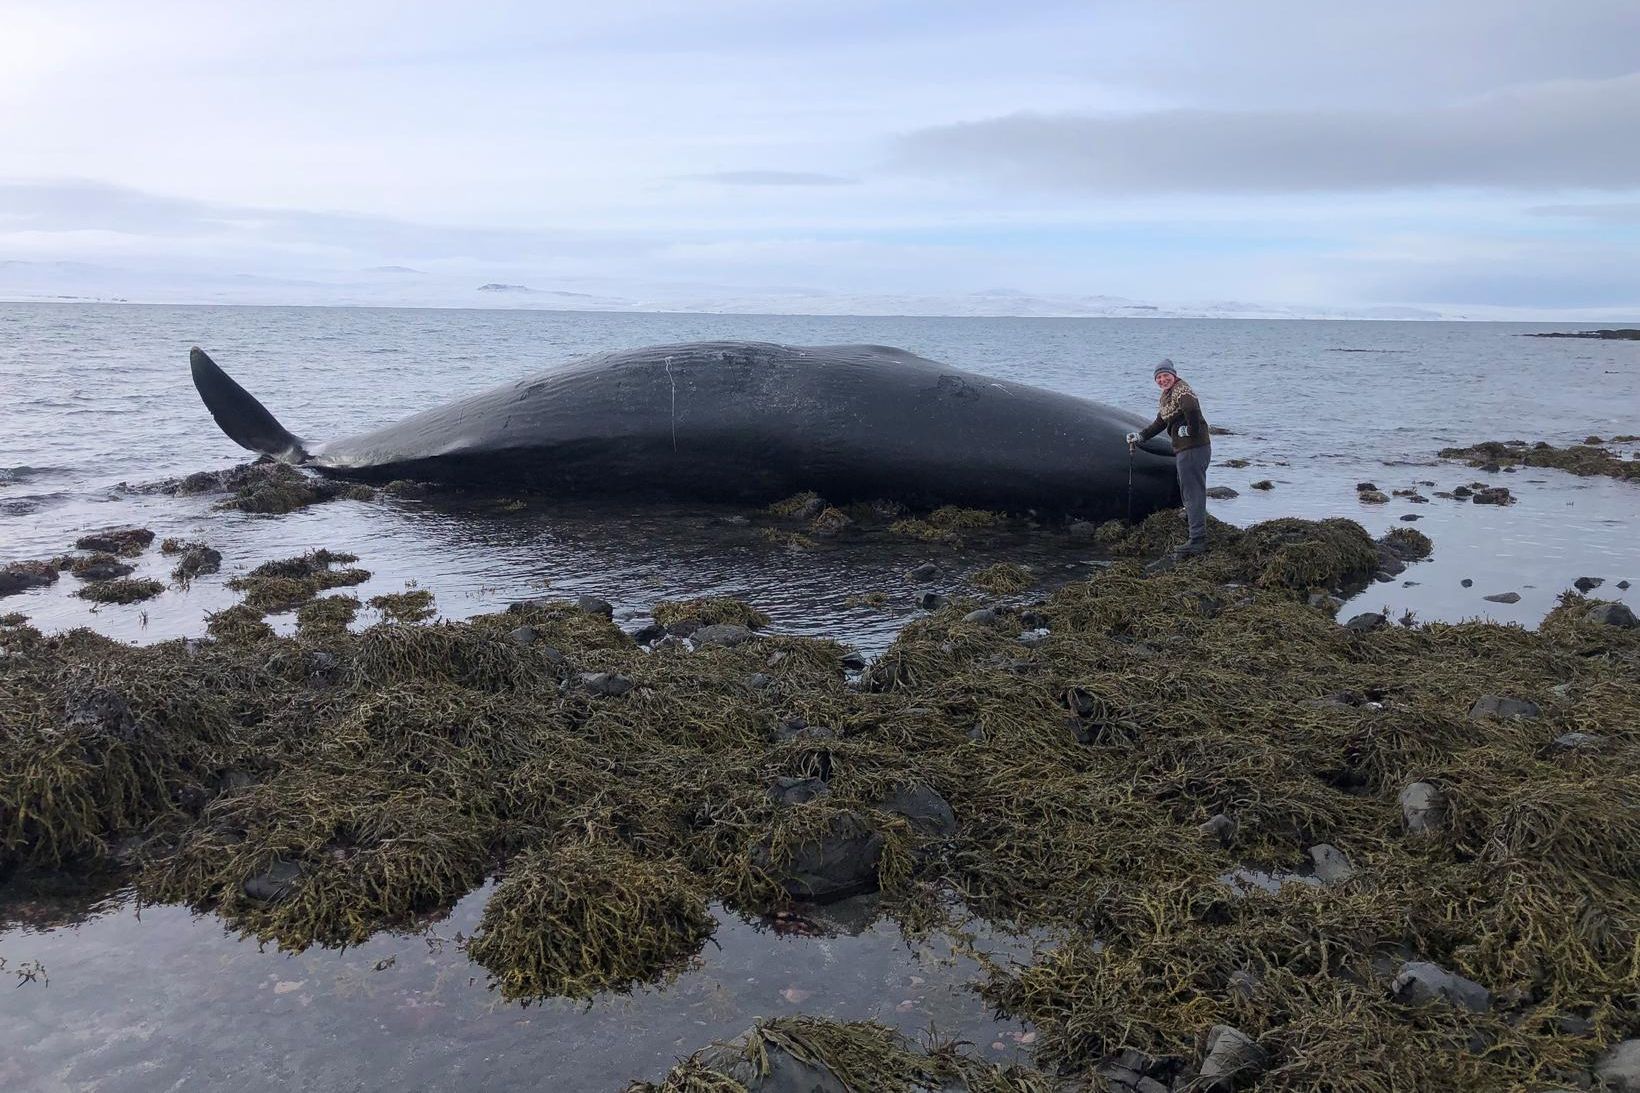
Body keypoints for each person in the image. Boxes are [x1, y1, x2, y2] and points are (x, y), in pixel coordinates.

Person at [1126, 359, 1211, 555]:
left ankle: (1197, 540)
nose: (1163, 379)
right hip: (1187, 449)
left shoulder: (1181, 390)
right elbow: (1160, 422)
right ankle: (1194, 525)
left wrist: (1190, 430)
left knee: (1193, 491)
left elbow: (1191, 408)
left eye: (1166, 375)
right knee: (1187, 488)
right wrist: (1141, 436)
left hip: (1193, 448)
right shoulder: (1168, 396)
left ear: (1174, 375)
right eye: (1159, 377)